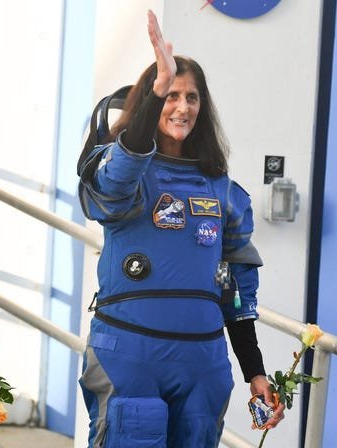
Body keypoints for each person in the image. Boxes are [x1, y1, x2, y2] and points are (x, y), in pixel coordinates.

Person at [76, 11, 285, 447]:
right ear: (151, 102)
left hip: (201, 365)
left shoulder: (222, 191)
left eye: (191, 97)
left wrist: (256, 372)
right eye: (170, 96)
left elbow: (237, 290)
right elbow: (114, 184)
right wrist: (153, 92)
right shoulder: (126, 171)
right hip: (130, 356)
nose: (182, 107)